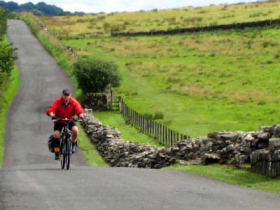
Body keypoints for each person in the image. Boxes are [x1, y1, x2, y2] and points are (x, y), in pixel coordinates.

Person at [46, 89, 85, 160]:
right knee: (56, 135)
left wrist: (81, 115)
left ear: (70, 96)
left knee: (75, 130)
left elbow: (79, 109)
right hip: (59, 121)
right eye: (65, 95)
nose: (66, 97)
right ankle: (57, 152)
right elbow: (51, 109)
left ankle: (73, 143)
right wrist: (52, 115)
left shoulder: (73, 102)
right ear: (62, 95)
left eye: (68, 95)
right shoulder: (57, 101)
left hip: (69, 120)